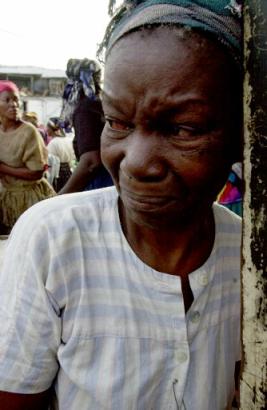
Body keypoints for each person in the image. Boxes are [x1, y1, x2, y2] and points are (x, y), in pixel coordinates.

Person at [0, 1, 242, 409]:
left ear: (241, 134)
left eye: (184, 128)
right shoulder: (54, 240)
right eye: (117, 123)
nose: (136, 162)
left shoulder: (245, 254)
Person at [0, 81, 55, 234]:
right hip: (8, 199)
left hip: (30, 199)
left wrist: (3, 168)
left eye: (16, 99)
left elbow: (36, 172)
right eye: (7, 100)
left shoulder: (28, 132)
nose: (14, 104)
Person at [59, 58, 113, 194]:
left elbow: (91, 162)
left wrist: (61, 196)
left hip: (99, 183)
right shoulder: (101, 104)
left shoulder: (85, 107)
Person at [47, 117, 75, 192]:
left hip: (57, 174)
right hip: (69, 172)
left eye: (48, 127)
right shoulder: (68, 140)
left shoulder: (53, 143)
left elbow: (51, 163)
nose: (46, 130)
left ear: (51, 128)